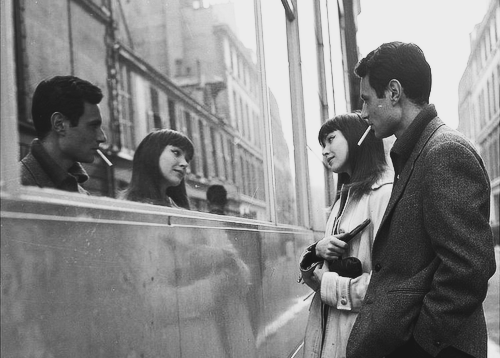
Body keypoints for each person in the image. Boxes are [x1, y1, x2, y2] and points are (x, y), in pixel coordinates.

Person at [347, 42, 496, 358]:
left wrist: (420, 344)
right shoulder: (416, 151)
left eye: (366, 99)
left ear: (394, 92)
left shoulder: (443, 152)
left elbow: (468, 268)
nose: (362, 113)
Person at [298, 113, 393, 358]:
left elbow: (390, 287)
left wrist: (327, 283)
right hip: (333, 334)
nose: (325, 151)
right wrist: (317, 251)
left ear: (356, 137)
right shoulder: (344, 198)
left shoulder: (383, 194)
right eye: (322, 145)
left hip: (360, 338)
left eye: (331, 139)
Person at [20, 75, 107, 194]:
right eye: (93, 126)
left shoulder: (82, 194)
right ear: (59, 124)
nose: (102, 137)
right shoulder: (14, 187)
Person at [122, 129, 194, 209]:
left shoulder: (174, 206)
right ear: (153, 153)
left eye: (187, 159)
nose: (185, 163)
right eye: (176, 153)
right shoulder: (132, 207)